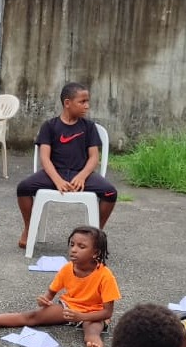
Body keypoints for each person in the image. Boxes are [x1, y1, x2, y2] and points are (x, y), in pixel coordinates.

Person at [0, 226, 120, 347]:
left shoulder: (105, 275)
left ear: (96, 253)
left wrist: (81, 316)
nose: (73, 250)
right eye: (72, 244)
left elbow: (107, 313)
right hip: (69, 308)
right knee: (31, 316)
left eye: (81, 247)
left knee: (91, 332)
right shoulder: (67, 268)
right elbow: (49, 295)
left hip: (94, 313)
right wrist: (44, 301)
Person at [16, 83, 118, 249]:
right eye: (82, 101)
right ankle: (29, 228)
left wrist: (82, 176)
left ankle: (95, 235)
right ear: (67, 103)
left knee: (110, 192)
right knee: (23, 188)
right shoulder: (49, 126)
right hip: (54, 174)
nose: (87, 106)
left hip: (81, 174)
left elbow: (93, 158)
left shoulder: (89, 127)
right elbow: (45, 158)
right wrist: (57, 180)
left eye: (87, 101)